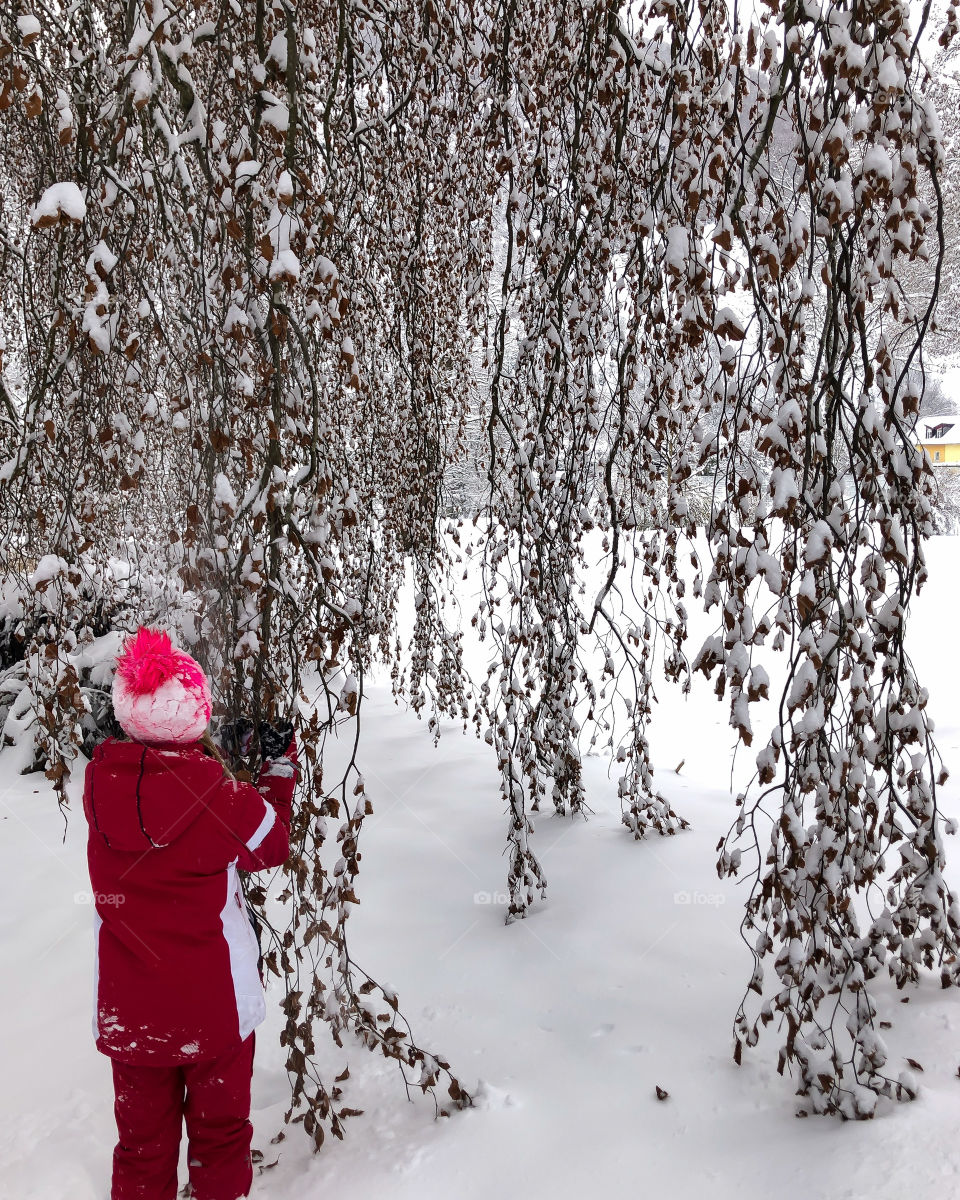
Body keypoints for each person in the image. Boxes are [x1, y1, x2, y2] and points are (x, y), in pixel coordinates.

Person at [82, 626, 298, 1200]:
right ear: (196, 718)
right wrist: (277, 769)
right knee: (221, 1140)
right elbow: (272, 843)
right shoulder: (226, 801)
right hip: (216, 1015)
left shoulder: (98, 786)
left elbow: (154, 779)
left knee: (141, 1149)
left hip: (132, 1017)